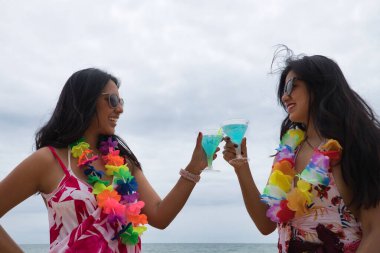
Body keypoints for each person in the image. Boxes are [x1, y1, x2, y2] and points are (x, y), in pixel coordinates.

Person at [0, 68, 216, 252]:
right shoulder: (48, 160)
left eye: (121, 101)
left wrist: (194, 168)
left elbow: (160, 216)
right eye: (112, 100)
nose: (120, 109)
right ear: (85, 101)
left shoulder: (123, 163)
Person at [223, 47, 380, 252]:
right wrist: (241, 167)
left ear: (320, 86)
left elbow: (375, 229)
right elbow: (265, 224)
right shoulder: (287, 153)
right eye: (283, 91)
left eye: (291, 86)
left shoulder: (356, 145)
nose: (285, 97)